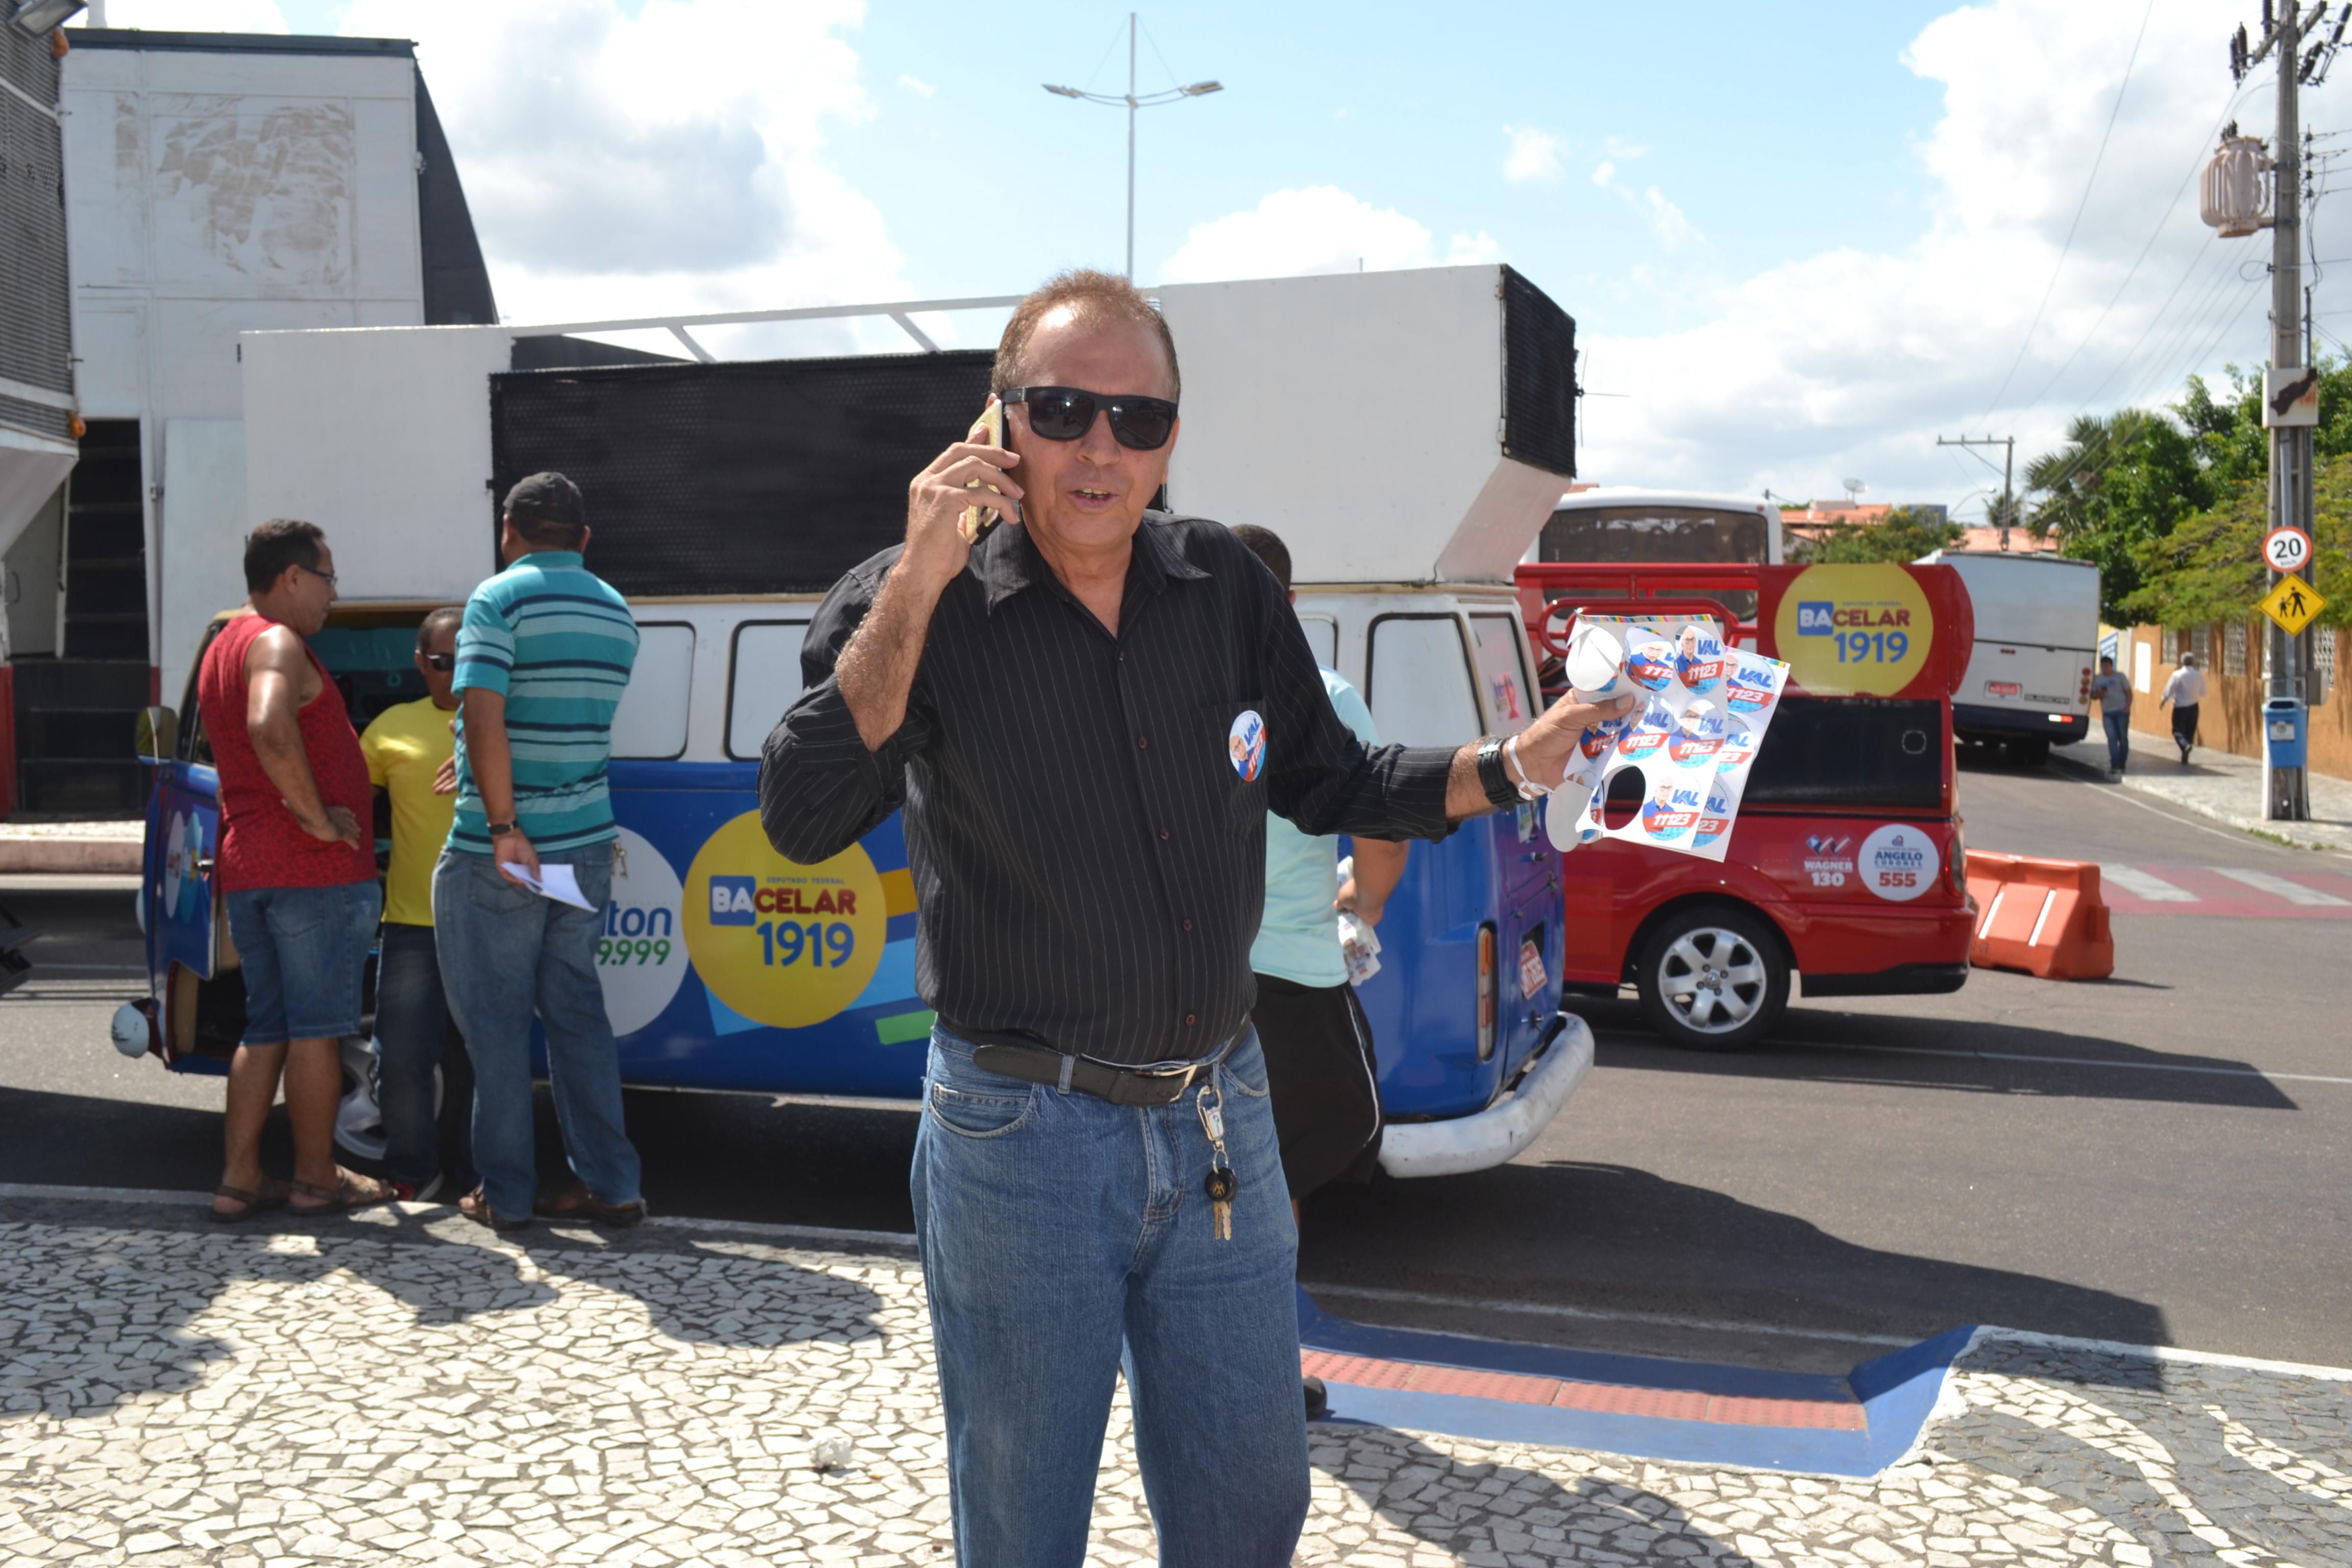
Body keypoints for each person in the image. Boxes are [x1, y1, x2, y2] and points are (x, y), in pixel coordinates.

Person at [757, 268, 1634, 1566]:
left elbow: (1335, 777)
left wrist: (1512, 761)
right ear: (999, 421)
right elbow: (804, 813)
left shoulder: (1222, 581)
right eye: (1063, 409)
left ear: (1173, 438)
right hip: (1021, 1137)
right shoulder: (912, 600)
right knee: (1025, 1516)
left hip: (1223, 1110)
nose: (1100, 447)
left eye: (1140, 418)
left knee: (1249, 1501)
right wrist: (922, 575)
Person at [1228, 523, 1409, 1427]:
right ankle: (1261, 1375)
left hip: (1172, 985)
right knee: (1276, 1177)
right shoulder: (1328, 698)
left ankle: (1176, 1364)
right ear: (1292, 604)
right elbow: (1381, 829)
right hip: (1289, 989)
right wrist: (1362, 902)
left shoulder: (1157, 691)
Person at [436, 473, 646, 1233]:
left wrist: (501, 824)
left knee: (495, 1028)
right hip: (584, 846)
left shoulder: (497, 600)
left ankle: (506, 1195)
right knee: (577, 1017)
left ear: (509, 530)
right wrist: (473, 756)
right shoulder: (617, 610)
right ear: (584, 538)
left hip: (502, 852)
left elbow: (485, 718)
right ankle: (614, 1186)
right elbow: (559, 720)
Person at [197, 519, 390, 1221]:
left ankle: (240, 1179)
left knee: (267, 1027)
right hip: (310, 873)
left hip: (253, 865)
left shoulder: (224, 644)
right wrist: (317, 818)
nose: (333, 595)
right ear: (293, 577)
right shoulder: (276, 641)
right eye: (328, 579)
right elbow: (268, 724)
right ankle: (316, 1177)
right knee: (317, 1028)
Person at [359, 606, 474, 1203]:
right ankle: (412, 1172)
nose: (456, 673)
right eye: (443, 662)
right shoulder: (389, 729)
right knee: (401, 1058)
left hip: (490, 920)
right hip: (411, 921)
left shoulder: (508, 722)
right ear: (420, 664)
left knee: (493, 1059)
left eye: (468, 659)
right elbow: (348, 805)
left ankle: (489, 1180)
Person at [2090, 654, 2133, 779]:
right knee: (2112, 738)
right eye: (2102, 666)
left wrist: (2128, 707)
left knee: (2123, 738)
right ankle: (2115, 763)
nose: (2105, 668)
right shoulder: (2098, 679)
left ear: (2112, 666)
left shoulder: (2120, 677)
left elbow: (2129, 693)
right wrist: (2100, 693)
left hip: (2122, 711)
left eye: (2107, 666)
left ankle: (2122, 763)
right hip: (2108, 713)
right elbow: (2093, 696)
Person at [2160, 651, 2207, 766]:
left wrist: (2164, 700)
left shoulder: (2177, 675)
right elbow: (2203, 693)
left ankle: (2185, 746)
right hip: (2194, 706)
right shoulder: (2199, 675)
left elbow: (2170, 689)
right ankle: (2185, 753)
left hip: (2180, 707)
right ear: (2193, 662)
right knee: (2190, 731)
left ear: (2182, 662)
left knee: (2178, 731)